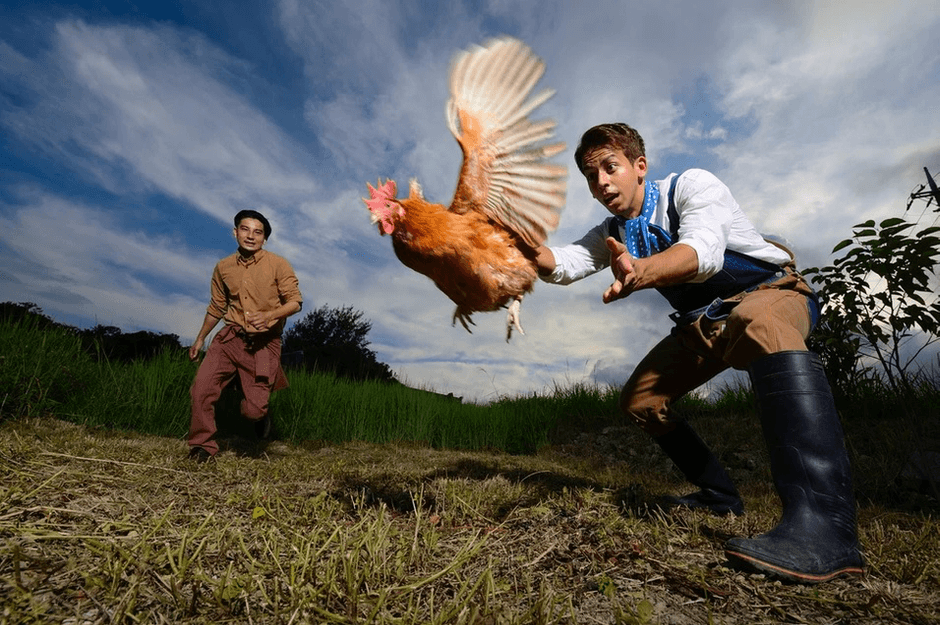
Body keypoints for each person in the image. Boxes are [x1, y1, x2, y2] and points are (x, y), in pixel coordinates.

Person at [535, 123, 863, 584]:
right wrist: (520, 249)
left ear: (639, 167)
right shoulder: (611, 231)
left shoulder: (692, 186)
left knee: (759, 321)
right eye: (592, 177)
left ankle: (828, 531)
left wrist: (643, 270)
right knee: (640, 401)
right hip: (707, 324)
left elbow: (703, 252)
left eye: (611, 168)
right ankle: (718, 494)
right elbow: (566, 263)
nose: (602, 183)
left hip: (772, 293)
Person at [187, 210, 302, 462]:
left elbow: (295, 302)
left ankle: (260, 415)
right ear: (235, 232)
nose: (250, 236)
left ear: (264, 239)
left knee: (253, 409)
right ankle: (202, 446)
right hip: (229, 339)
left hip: (263, 344)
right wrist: (200, 339)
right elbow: (216, 306)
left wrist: (271, 315)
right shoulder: (223, 267)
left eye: (257, 232)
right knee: (200, 389)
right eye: (245, 229)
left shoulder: (278, 264)